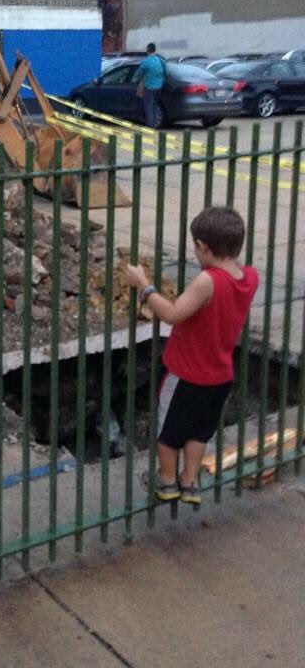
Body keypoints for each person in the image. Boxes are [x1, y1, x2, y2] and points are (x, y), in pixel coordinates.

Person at [126, 207, 259, 505]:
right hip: (220, 375)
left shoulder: (209, 281)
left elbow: (173, 314)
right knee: (199, 431)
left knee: (168, 431)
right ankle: (190, 481)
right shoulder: (250, 277)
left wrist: (144, 287)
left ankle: (167, 482)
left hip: (187, 374)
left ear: (203, 247)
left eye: (196, 248)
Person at [133, 42, 166, 128]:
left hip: (149, 87)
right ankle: (154, 124)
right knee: (155, 105)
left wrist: (135, 80)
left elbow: (138, 74)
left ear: (147, 50)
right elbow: (165, 72)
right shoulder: (160, 60)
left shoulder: (145, 62)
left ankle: (150, 126)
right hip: (159, 87)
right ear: (155, 50)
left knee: (148, 107)